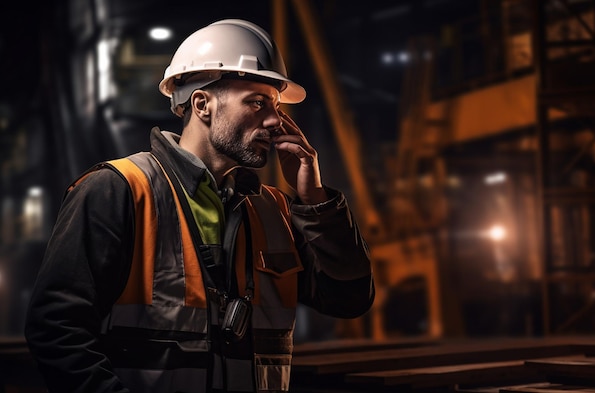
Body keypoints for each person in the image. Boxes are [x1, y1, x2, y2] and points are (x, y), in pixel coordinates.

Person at [24, 19, 374, 393]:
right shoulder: (118, 190)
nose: (275, 121)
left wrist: (315, 198)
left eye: (274, 105)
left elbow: (349, 299)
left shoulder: (273, 209)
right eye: (257, 102)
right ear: (202, 104)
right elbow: (57, 331)